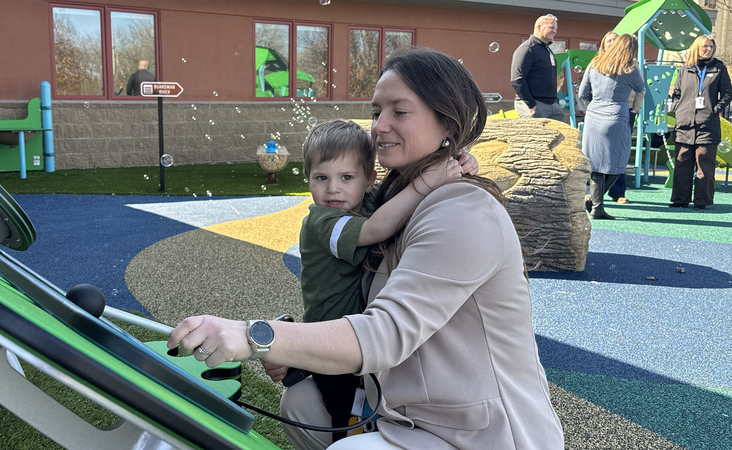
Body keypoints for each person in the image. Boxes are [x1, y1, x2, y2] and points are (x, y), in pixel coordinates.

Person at [168, 47, 564, 449]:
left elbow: (386, 333)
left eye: (400, 111)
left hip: (482, 433)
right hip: (409, 412)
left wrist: (259, 336)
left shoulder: (464, 211)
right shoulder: (396, 198)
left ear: (447, 120)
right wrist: (296, 338)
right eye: (377, 113)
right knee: (302, 403)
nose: (380, 126)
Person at [298, 119, 462, 442]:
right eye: (321, 178)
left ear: (369, 180)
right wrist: (429, 183)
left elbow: (397, 200)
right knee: (344, 424)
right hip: (330, 342)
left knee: (366, 410)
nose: (333, 189)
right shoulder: (321, 221)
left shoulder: (368, 203)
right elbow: (375, 230)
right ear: (308, 181)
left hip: (357, 336)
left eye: (346, 177)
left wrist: (456, 162)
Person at [578, 33, 645, 220]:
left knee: (596, 163)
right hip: (617, 116)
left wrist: (593, 109)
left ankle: (596, 206)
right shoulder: (629, 69)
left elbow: (583, 94)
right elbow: (640, 87)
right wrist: (633, 109)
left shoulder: (594, 64)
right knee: (618, 163)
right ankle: (595, 203)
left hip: (593, 116)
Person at [669, 35, 732, 210]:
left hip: (707, 124)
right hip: (684, 123)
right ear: (697, 47)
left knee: (704, 163)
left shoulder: (718, 68)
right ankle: (680, 200)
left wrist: (715, 109)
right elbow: (676, 93)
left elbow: (727, 93)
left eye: (711, 47)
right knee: (682, 162)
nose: (708, 49)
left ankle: (702, 201)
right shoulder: (685, 69)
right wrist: (678, 108)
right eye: (705, 46)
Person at [510, 14, 566, 121]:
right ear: (539, 27)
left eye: (556, 29)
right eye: (551, 27)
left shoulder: (547, 50)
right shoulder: (527, 49)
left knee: (559, 137)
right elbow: (517, 80)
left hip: (553, 106)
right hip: (534, 105)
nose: (555, 31)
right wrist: (530, 104)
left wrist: (556, 102)